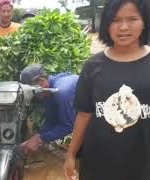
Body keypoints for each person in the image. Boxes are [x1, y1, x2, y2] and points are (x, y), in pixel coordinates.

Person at [63, 0, 150, 180]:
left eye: (132, 19)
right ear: (106, 25)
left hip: (143, 163)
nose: (123, 27)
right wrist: (71, 155)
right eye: (115, 20)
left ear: (144, 23)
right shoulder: (93, 65)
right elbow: (84, 114)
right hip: (99, 162)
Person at [0, 64, 78, 156]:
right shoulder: (47, 93)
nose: (32, 95)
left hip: (95, 108)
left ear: (41, 81)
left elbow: (68, 125)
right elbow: (53, 120)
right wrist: (38, 136)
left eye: (32, 90)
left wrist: (39, 139)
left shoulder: (62, 92)